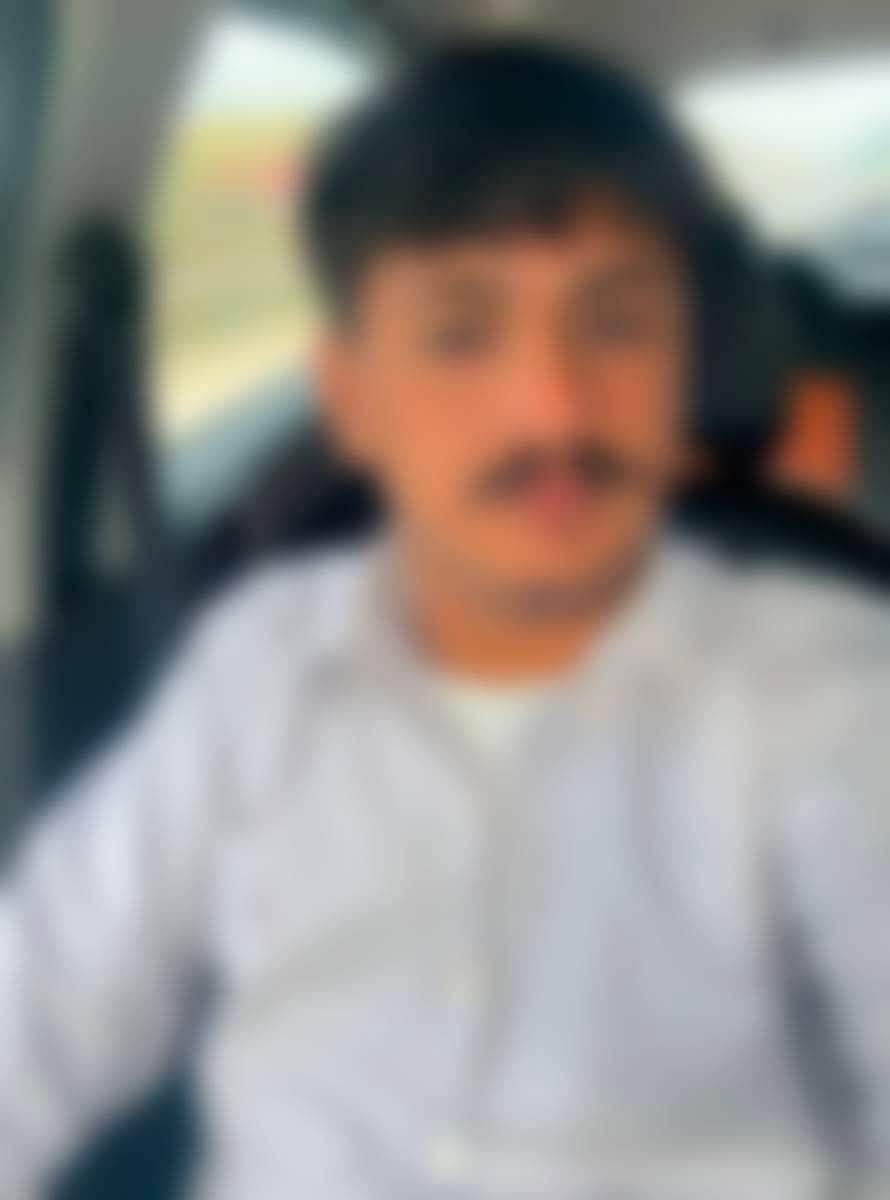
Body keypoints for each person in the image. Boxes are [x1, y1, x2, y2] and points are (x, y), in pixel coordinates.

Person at [3, 41, 890, 1200]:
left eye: (615, 324)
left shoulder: (821, 690)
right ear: (351, 401)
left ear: (680, 368)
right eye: (461, 333)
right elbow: (42, 1008)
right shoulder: (260, 663)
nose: (553, 408)